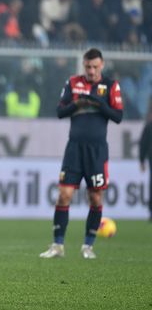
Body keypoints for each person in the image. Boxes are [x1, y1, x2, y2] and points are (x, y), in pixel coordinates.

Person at [40, 48, 123, 260]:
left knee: (95, 198)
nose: (91, 71)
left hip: (97, 151)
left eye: (95, 67)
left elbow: (118, 116)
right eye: (88, 67)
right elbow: (60, 112)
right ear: (83, 65)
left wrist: (99, 103)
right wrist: (77, 103)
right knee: (64, 194)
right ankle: (57, 245)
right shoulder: (73, 83)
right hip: (74, 148)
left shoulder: (110, 86)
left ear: (102, 65)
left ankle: (88, 246)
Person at [139, 109, 152, 221]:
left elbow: (142, 144)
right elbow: (143, 144)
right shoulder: (149, 127)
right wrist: (142, 160)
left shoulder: (148, 126)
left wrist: (142, 160)